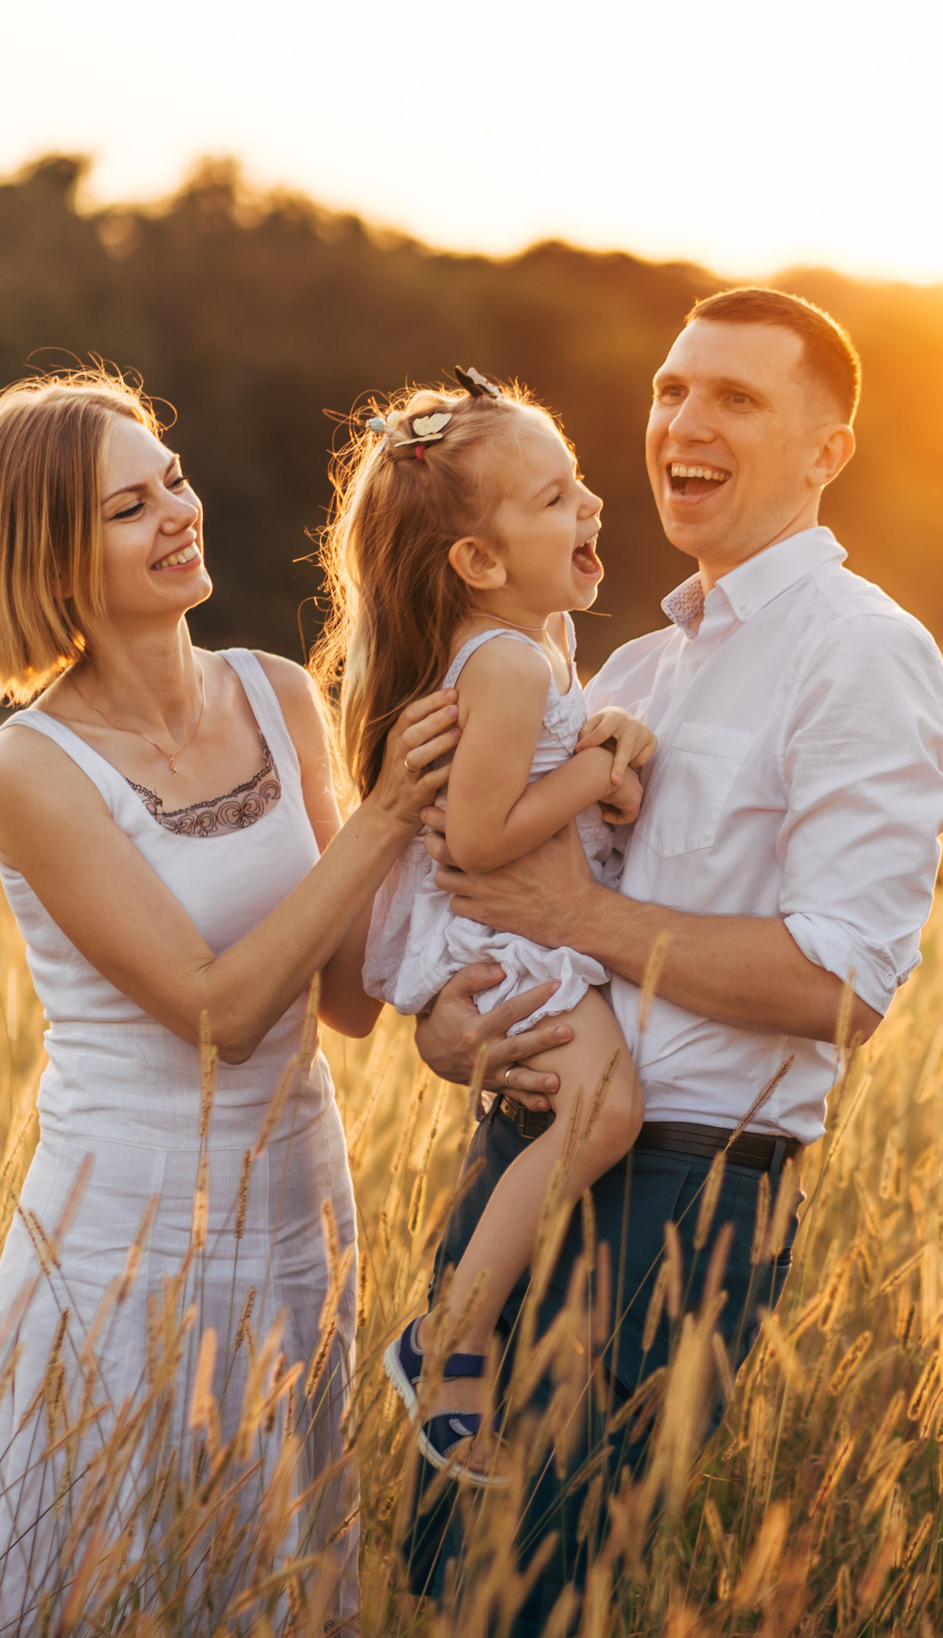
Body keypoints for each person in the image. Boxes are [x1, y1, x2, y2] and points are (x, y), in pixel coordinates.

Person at [403, 288, 943, 1638]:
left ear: (828, 448)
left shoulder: (862, 653)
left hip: (680, 1200)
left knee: (535, 1619)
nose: (684, 424)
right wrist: (455, 1022)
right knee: (436, 1599)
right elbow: (496, 910)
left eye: (737, 398)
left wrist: (578, 912)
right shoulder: (627, 663)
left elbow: (842, 987)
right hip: (520, 1166)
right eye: (669, 391)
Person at [0, 370, 460, 1638]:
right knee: (109, 1606)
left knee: (273, 1610)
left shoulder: (279, 694)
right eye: (129, 505)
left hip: (297, 1214)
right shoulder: (32, 768)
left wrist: (499, 940)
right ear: (54, 557)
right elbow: (220, 1009)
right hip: (122, 1244)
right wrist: (388, 814)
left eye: (169, 475)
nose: (178, 510)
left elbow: (343, 998)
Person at [309, 370, 658, 1485]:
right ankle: (447, 1341)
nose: (589, 509)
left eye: (580, 487)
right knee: (602, 1118)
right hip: (505, 936)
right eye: (555, 500)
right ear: (478, 562)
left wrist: (594, 753)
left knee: (593, 1119)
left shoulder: (529, 645)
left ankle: (457, 1335)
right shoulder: (505, 659)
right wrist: (600, 769)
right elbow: (481, 830)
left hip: (519, 931)